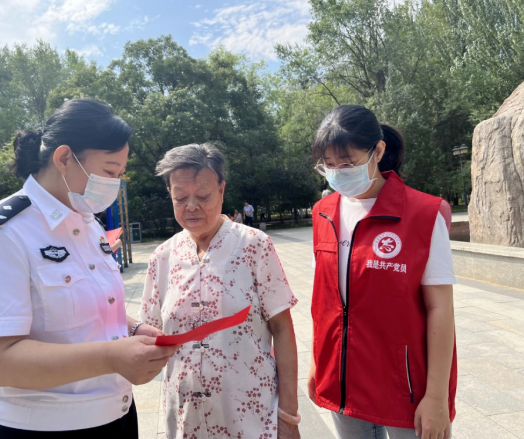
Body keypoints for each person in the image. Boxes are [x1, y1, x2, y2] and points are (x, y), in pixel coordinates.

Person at [0, 99, 178, 438]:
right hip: (40, 429)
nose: (115, 183)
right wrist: (111, 357)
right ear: (64, 158)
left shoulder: (88, 224)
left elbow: (87, 306)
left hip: (116, 416)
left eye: (119, 174)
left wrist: (133, 329)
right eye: (109, 171)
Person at [308, 105, 457, 439]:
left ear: (377, 151)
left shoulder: (423, 214)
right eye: (328, 165)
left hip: (405, 386)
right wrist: (319, 363)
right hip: (342, 380)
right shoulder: (323, 213)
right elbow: (324, 301)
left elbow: (440, 308)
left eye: (348, 163)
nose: (337, 173)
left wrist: (436, 397)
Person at [139, 143, 301, 439]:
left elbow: (282, 328)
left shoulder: (254, 246)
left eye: (203, 196)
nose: (191, 206)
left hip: (250, 416)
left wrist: (288, 416)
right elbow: (149, 333)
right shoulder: (162, 258)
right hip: (185, 417)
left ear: (221, 190)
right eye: (180, 198)